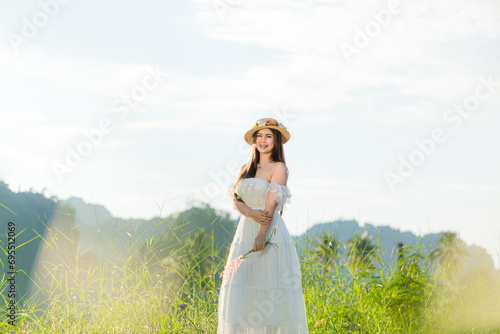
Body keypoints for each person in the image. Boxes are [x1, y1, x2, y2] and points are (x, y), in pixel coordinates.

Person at [217, 117, 309, 333]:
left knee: (268, 289)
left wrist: (261, 235)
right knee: (244, 287)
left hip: (269, 233)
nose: (263, 140)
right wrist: (249, 212)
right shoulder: (246, 168)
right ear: (253, 141)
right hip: (245, 230)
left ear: (276, 141)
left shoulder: (279, 168)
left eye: (268, 136)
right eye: (259, 136)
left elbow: (271, 205)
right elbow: (236, 200)